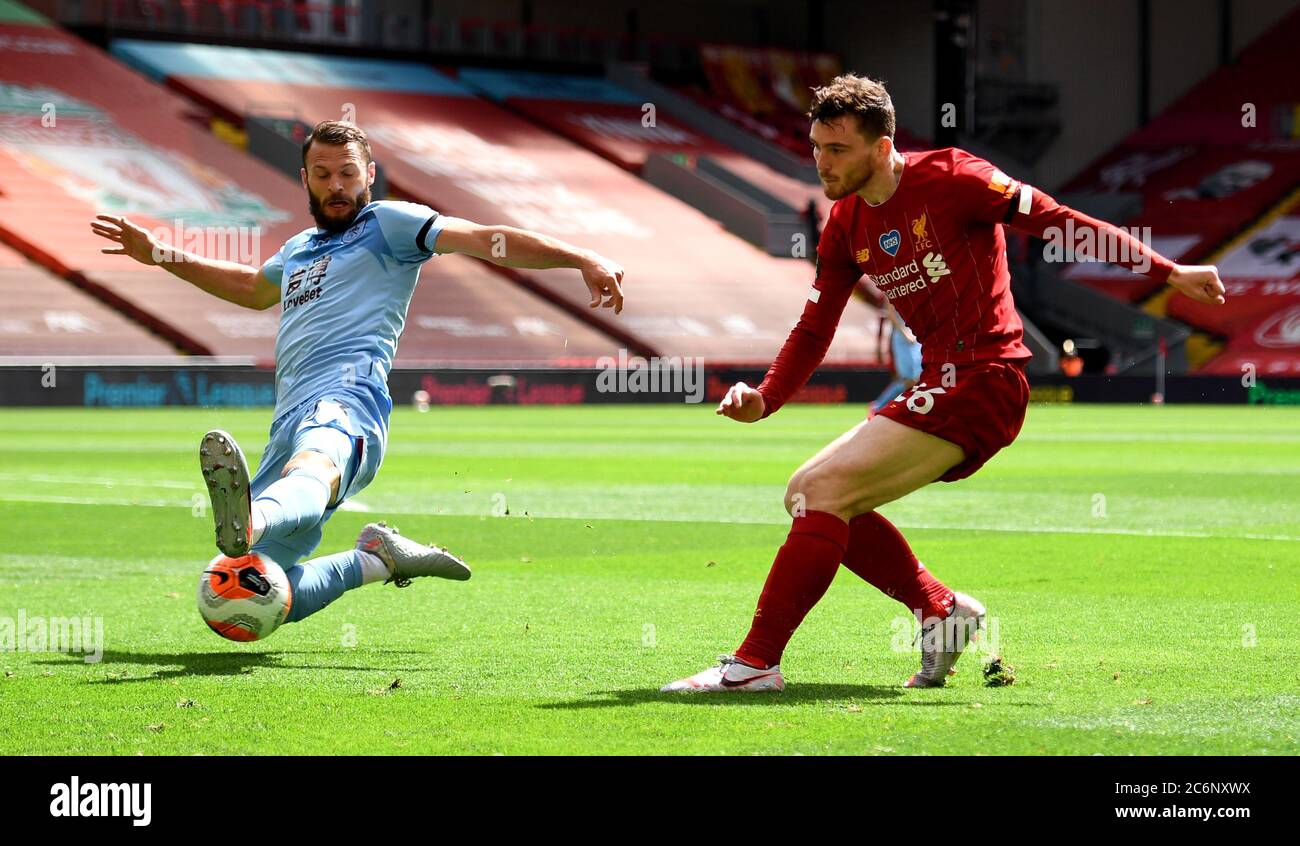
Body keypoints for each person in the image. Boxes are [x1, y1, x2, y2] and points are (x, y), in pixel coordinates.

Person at [662, 74, 1223, 692]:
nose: (822, 162)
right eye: (817, 147)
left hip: (986, 376)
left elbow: (1057, 222)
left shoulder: (956, 178)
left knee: (824, 490)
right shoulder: (845, 223)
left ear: (882, 147)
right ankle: (940, 610)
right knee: (803, 493)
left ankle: (755, 664)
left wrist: (1169, 271)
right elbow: (814, 325)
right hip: (940, 380)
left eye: (837, 149)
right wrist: (766, 396)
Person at [91, 120, 625, 626]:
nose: (337, 185)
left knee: (315, 465)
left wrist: (580, 257)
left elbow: (484, 239)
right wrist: (162, 254)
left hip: (349, 397)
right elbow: (252, 289)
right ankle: (376, 560)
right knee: (252, 589)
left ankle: (253, 516)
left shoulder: (390, 224)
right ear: (305, 180)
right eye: (323, 175)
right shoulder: (299, 248)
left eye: (348, 172)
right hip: (288, 415)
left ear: (370, 173)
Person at [869, 300, 922, 415]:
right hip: (903, 337)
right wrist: (905, 334)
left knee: (916, 378)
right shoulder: (892, 286)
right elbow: (890, 313)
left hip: (916, 336)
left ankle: (892, 408)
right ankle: (878, 406)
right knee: (908, 379)